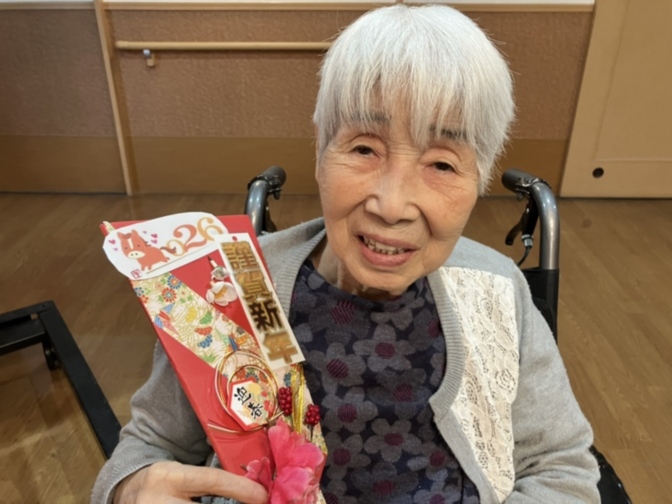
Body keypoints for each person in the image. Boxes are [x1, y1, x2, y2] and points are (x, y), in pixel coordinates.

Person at [93, 4, 600, 503]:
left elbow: (561, 467)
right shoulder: (226, 289)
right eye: (364, 149)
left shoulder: (499, 288)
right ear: (320, 149)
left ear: (479, 177)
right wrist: (128, 491)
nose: (392, 206)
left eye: (442, 164)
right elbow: (148, 447)